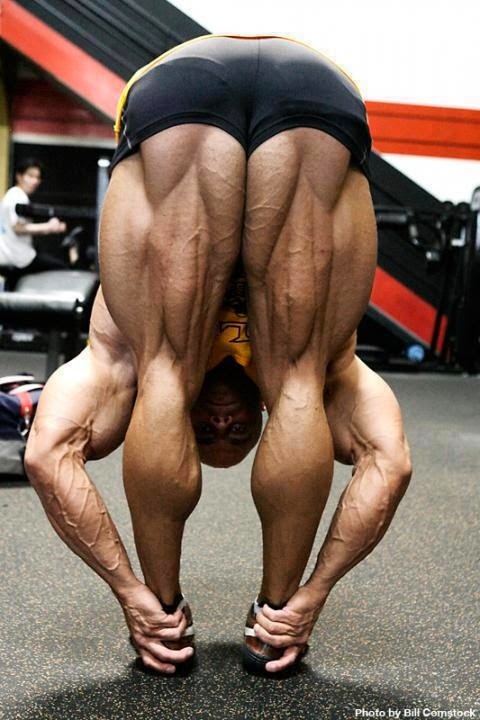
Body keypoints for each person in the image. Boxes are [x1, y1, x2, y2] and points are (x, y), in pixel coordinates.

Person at [25, 34, 412, 676]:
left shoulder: (119, 349)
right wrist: (312, 597)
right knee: (298, 382)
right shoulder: (330, 365)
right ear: (257, 425)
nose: (224, 422)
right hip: (317, 90)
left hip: (179, 86)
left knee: (163, 380)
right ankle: (279, 620)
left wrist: (132, 594)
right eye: (236, 433)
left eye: (210, 432)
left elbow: (45, 453)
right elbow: (390, 464)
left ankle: (163, 621)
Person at [0, 159, 67, 284]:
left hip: (7, 255)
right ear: (19, 176)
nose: (35, 181)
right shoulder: (18, 196)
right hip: (18, 257)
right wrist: (49, 227)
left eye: (38, 177)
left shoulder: (11, 194)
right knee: (61, 268)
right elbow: (18, 228)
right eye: (30, 176)